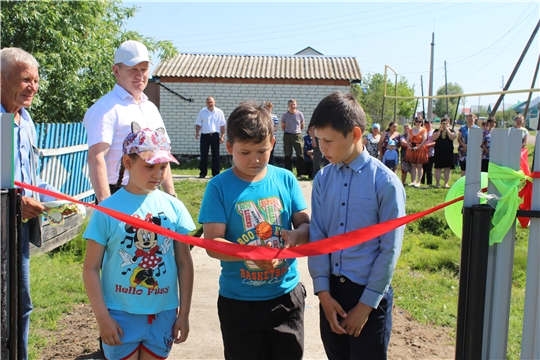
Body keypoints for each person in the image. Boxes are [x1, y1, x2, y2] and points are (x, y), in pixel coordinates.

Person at [199, 101, 310, 360]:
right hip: (239, 302)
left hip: (286, 296)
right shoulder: (218, 187)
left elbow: (305, 226)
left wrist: (295, 236)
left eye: (262, 150)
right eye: (245, 152)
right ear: (229, 147)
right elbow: (212, 243)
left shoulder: (286, 179)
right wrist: (249, 254)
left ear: (273, 141)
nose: (255, 159)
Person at [83, 124, 195, 360]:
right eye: (149, 166)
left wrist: (183, 313)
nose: (158, 174)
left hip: (164, 314)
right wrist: (103, 318)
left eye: (163, 167)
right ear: (127, 162)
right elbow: (91, 267)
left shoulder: (174, 208)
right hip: (120, 316)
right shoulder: (106, 211)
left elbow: (184, 263)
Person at [307, 92, 405, 360]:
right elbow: (318, 237)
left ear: (355, 134)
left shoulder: (384, 183)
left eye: (328, 141)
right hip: (332, 297)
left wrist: (365, 307)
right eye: (318, 141)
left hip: (369, 298)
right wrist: (324, 295)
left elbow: (389, 249)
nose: (322, 148)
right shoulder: (323, 180)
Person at [1, 47, 71, 360]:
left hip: (16, 234)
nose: (33, 86)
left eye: (36, 80)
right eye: (25, 79)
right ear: (1, 80)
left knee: (20, 303)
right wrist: (13, 203)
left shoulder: (25, 122)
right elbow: (8, 189)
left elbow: (30, 178)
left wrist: (57, 200)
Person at [84, 40, 176, 203]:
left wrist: (171, 197)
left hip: (152, 194)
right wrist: (107, 205)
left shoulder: (151, 108)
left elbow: (164, 157)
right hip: (120, 194)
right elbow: (96, 157)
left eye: (144, 69)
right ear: (116, 71)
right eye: (133, 69)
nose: (140, 75)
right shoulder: (106, 108)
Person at [195, 96, 226, 178]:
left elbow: (222, 126)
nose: (210, 103)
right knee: (203, 155)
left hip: (215, 135)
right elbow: (198, 124)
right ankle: (203, 173)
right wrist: (197, 133)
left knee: (215, 155)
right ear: (206, 103)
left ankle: (215, 174)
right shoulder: (202, 112)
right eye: (208, 102)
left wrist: (222, 136)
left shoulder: (219, 112)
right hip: (204, 135)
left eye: (211, 102)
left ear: (214, 102)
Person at [281, 98, 305, 177]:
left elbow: (302, 125)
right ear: (288, 106)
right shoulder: (285, 115)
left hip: (297, 135)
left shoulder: (300, 114)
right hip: (287, 136)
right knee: (288, 154)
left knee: (300, 154)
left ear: (296, 105)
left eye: (294, 104)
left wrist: (297, 131)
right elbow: (282, 126)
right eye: (291, 105)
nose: (293, 106)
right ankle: (289, 172)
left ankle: (300, 173)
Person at [404, 117, 428, 187]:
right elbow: (407, 140)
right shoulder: (411, 130)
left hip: (420, 149)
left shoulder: (423, 130)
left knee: (419, 166)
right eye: (417, 121)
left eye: (420, 121)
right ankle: (413, 181)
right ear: (415, 122)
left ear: (422, 123)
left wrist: (417, 147)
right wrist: (409, 147)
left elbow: (424, 140)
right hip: (411, 149)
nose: (418, 123)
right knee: (413, 166)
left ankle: (419, 182)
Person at [432, 117, 456, 188]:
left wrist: (447, 129)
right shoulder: (436, 130)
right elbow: (434, 138)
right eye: (443, 123)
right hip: (439, 151)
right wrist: (440, 130)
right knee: (438, 168)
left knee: (447, 168)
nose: (445, 124)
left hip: (448, 151)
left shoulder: (451, 130)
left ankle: (446, 183)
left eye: (446, 123)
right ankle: (437, 183)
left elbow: (452, 137)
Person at [263, 101, 279, 165]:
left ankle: (270, 164)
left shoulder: (274, 117)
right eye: (265, 107)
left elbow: (276, 127)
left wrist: (270, 131)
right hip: (264, 137)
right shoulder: (262, 116)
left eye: (268, 107)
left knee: (271, 152)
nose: (267, 109)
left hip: (272, 137)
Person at [420, 119, 435, 186]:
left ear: (431, 124)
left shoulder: (434, 132)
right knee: (422, 168)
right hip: (422, 153)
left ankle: (429, 183)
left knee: (429, 169)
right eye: (426, 124)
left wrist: (429, 145)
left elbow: (436, 142)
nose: (427, 125)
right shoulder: (422, 131)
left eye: (429, 123)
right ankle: (421, 182)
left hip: (430, 153)